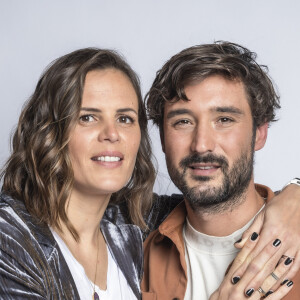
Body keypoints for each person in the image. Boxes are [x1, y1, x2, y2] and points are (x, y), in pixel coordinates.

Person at [142, 42, 300, 300]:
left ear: (259, 133)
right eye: (182, 121)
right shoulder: (133, 246)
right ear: (161, 138)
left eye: (224, 120)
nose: (201, 144)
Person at [0, 48, 156, 299]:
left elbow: (210, 207)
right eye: (88, 117)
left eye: (125, 119)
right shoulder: (9, 240)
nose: (111, 133)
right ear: (50, 133)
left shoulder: (128, 231)